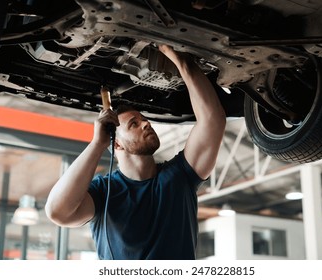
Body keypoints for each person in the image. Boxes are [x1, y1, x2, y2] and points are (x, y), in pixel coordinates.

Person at [45, 45, 226, 260]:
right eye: (134, 124)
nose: (146, 123)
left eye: (144, 119)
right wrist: (97, 143)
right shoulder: (104, 192)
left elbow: (212, 121)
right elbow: (58, 212)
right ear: (117, 145)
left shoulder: (180, 177)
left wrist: (183, 62)